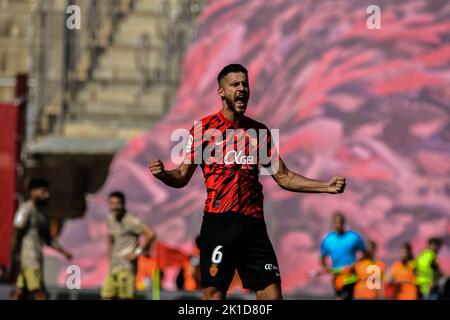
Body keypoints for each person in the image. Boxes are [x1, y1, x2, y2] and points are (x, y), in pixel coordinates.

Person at [149, 64, 346, 300]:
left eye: (245, 84)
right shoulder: (203, 130)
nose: (242, 88)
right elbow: (181, 176)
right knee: (213, 294)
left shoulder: (259, 133)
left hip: (253, 225)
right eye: (235, 84)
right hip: (219, 222)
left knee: (272, 296)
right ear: (221, 92)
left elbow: (283, 177)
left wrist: (325, 186)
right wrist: (163, 174)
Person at [9, 177, 73, 300]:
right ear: (33, 191)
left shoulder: (42, 213)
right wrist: (11, 259)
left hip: (36, 259)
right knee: (40, 294)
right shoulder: (26, 208)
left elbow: (48, 239)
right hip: (29, 260)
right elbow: (16, 234)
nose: (47, 194)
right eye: (43, 191)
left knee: (20, 293)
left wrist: (63, 252)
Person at [101, 191, 156, 299]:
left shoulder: (131, 220)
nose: (114, 207)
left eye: (117, 203)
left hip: (126, 268)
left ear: (123, 204)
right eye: (112, 203)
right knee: (105, 296)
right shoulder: (110, 218)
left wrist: (137, 253)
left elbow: (151, 234)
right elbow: (110, 237)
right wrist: (110, 257)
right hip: (114, 267)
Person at [320, 212, 365, 300]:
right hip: (337, 276)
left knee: (346, 296)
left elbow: (364, 253)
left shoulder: (353, 237)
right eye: (336, 222)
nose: (339, 225)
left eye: (340, 222)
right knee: (339, 297)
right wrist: (327, 268)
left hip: (350, 275)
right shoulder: (328, 240)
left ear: (344, 223)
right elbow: (322, 257)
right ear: (333, 224)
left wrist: (356, 264)